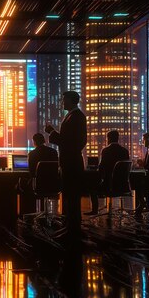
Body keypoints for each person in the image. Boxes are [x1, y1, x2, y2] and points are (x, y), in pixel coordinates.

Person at [45, 91, 87, 234]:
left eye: (64, 100)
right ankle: (70, 224)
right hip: (69, 162)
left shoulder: (77, 117)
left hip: (71, 163)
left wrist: (51, 132)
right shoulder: (72, 116)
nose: (62, 103)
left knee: (72, 195)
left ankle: (72, 227)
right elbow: (68, 139)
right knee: (69, 195)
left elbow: (70, 141)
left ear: (70, 100)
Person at [87, 130, 129, 215]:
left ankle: (95, 211)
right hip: (123, 186)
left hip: (109, 186)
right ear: (118, 138)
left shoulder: (106, 150)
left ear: (109, 138)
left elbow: (101, 168)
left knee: (91, 186)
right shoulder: (125, 151)